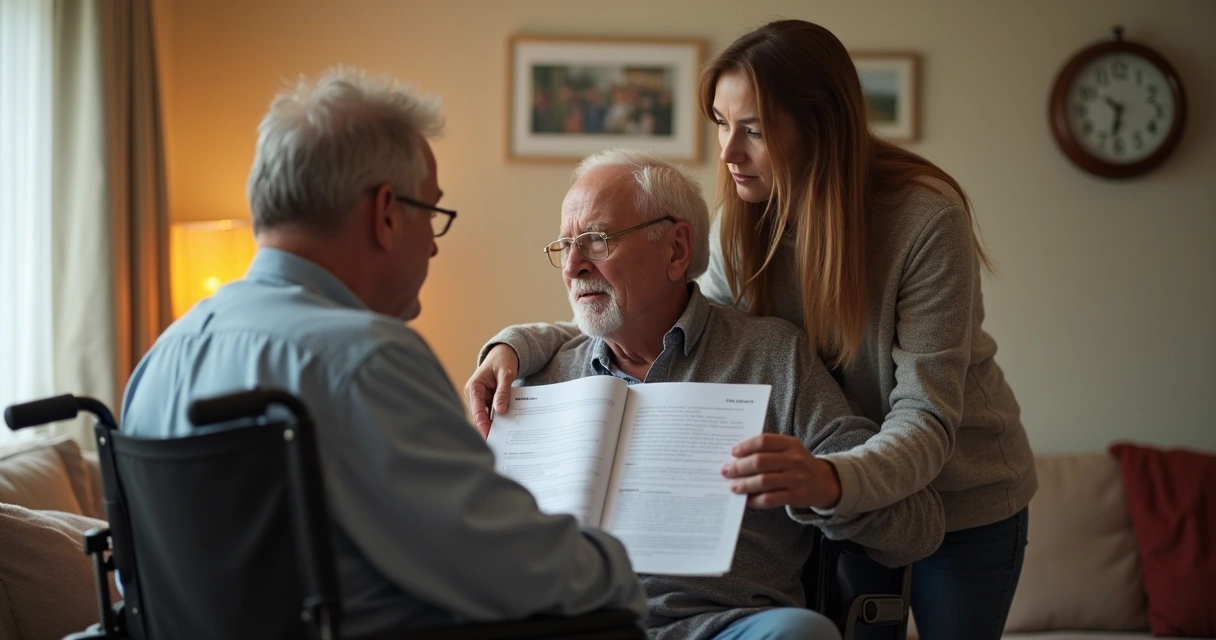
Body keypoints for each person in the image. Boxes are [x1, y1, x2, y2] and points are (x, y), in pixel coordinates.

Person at [467, 19, 1036, 640]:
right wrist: (516, 345)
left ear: (820, 127)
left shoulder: (924, 220)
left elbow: (926, 418)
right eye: (720, 123)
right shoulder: (741, 226)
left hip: (956, 487)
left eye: (754, 130)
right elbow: (663, 316)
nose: (728, 152)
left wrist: (831, 479)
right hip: (832, 480)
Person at [120, 68, 647, 637]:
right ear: (386, 213)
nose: (432, 246)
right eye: (433, 216)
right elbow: (509, 567)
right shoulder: (364, 361)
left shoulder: (161, 360)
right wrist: (617, 567)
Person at [477, 148, 944, 640]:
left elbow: (919, 528)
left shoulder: (773, 358)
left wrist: (826, 486)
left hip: (724, 627)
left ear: (677, 249)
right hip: (568, 625)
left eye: (596, 241)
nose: (572, 266)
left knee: (802, 634)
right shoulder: (536, 376)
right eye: (564, 245)